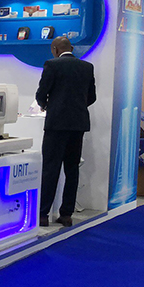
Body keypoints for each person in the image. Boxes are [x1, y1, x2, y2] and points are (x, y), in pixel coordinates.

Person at [35, 36, 97, 227]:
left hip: (56, 124)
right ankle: (66, 214)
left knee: (50, 169)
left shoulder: (52, 65)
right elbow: (92, 97)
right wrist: (76, 108)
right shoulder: (87, 67)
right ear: (72, 48)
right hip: (78, 125)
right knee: (72, 169)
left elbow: (41, 93)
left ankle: (43, 214)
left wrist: (47, 106)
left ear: (55, 49)